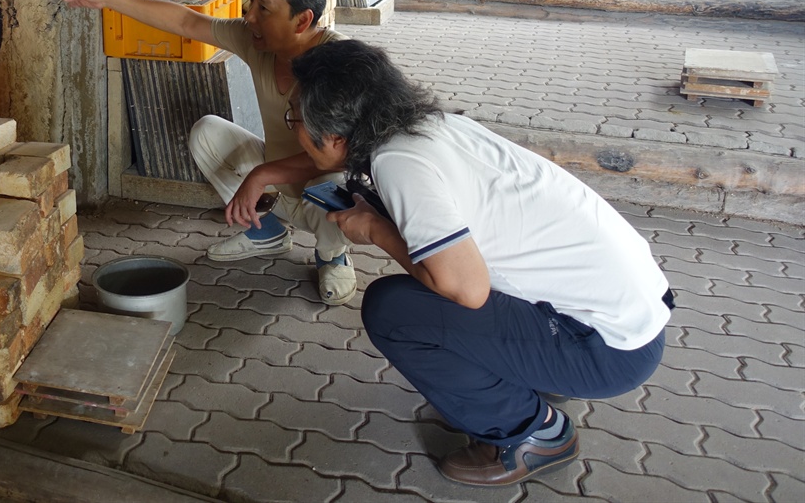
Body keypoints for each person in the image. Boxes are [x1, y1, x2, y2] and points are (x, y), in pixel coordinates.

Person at [287, 39, 671, 486]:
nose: (292, 126)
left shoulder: (399, 161)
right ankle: (522, 379)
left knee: (394, 310)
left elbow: (466, 288)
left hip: (609, 351)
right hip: (636, 314)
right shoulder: (432, 127)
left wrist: (375, 231)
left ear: (335, 136)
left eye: (294, 117)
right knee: (435, 293)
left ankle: (532, 434)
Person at [52, 0, 356, 305]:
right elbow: (186, 23)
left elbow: (340, 157)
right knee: (206, 132)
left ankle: (333, 254)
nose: (249, 16)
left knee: (338, 186)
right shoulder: (257, 40)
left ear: (302, 20)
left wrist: (260, 175)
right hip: (277, 177)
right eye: (250, 2)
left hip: (322, 186)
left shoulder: (342, 63)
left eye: (263, 9)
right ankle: (266, 230)